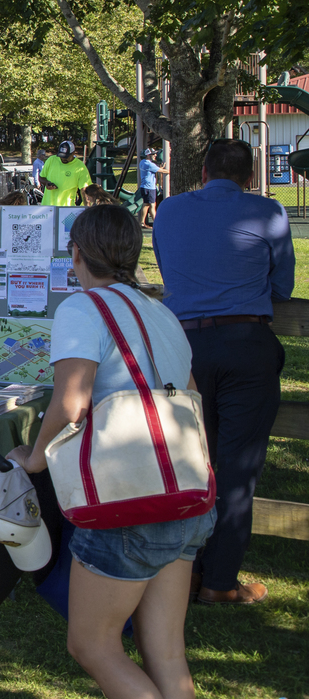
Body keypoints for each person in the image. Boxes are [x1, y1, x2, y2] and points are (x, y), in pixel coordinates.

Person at [11, 203, 213, 695]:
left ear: (76, 253)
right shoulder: (162, 312)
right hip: (187, 493)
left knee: (93, 645)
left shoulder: (82, 308)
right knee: (165, 650)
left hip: (128, 500)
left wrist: (34, 456)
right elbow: (190, 397)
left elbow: (72, 402)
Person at [152, 137, 292, 605]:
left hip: (184, 346)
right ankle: (219, 581)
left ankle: (182, 571)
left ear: (205, 172)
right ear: (250, 177)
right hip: (245, 344)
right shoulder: (267, 212)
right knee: (237, 466)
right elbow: (284, 285)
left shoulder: (169, 211)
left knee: (188, 460)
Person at [40, 140, 92, 206]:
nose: (63, 158)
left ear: (73, 153)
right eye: (61, 156)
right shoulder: (51, 160)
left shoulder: (80, 167)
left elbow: (84, 189)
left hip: (67, 208)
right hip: (48, 206)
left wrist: (87, 208)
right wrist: (46, 183)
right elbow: (41, 177)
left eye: (66, 156)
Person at [137, 148, 168, 227]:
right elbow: (163, 171)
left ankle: (142, 222)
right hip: (150, 187)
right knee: (151, 205)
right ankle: (156, 222)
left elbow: (156, 169)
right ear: (148, 155)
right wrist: (169, 170)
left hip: (144, 186)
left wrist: (161, 168)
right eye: (153, 154)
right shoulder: (149, 164)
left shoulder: (142, 162)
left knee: (146, 204)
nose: (155, 155)